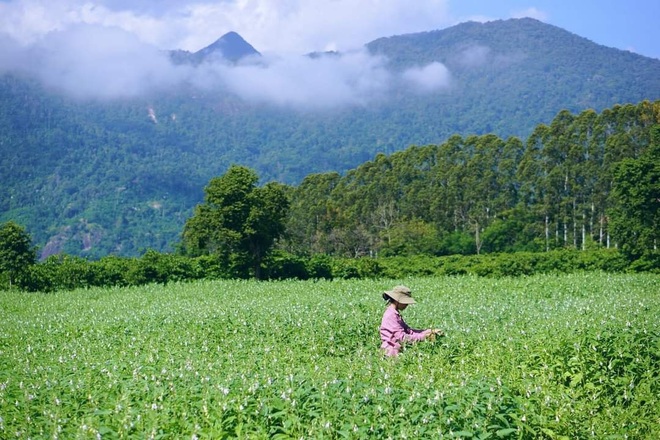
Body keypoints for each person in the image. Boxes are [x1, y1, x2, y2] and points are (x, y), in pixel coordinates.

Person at [379, 285, 443, 357]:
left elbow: (409, 331)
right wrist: (424, 337)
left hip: (396, 352)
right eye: (405, 302)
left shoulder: (395, 313)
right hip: (390, 355)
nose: (407, 305)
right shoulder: (391, 315)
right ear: (397, 300)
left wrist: (429, 331)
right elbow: (402, 338)